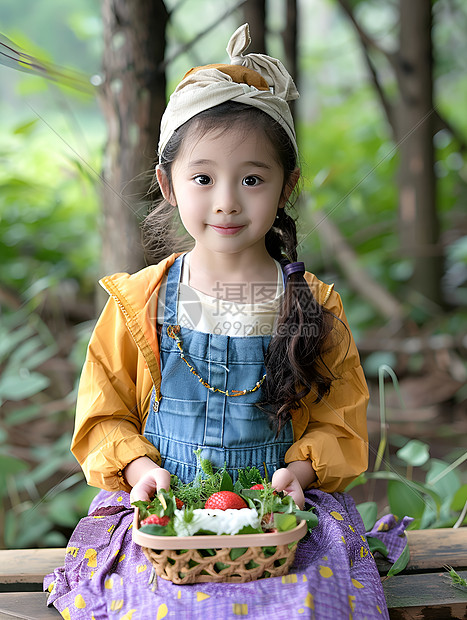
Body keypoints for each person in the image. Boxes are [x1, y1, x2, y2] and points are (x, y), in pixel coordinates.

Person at [44, 24, 394, 619]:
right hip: (165, 518)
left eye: (252, 178)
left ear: (286, 186)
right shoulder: (140, 303)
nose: (227, 200)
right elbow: (103, 414)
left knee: (311, 602)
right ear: (168, 184)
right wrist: (138, 467)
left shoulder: (312, 304)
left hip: (281, 517)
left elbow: (341, 418)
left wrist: (303, 473)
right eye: (203, 178)